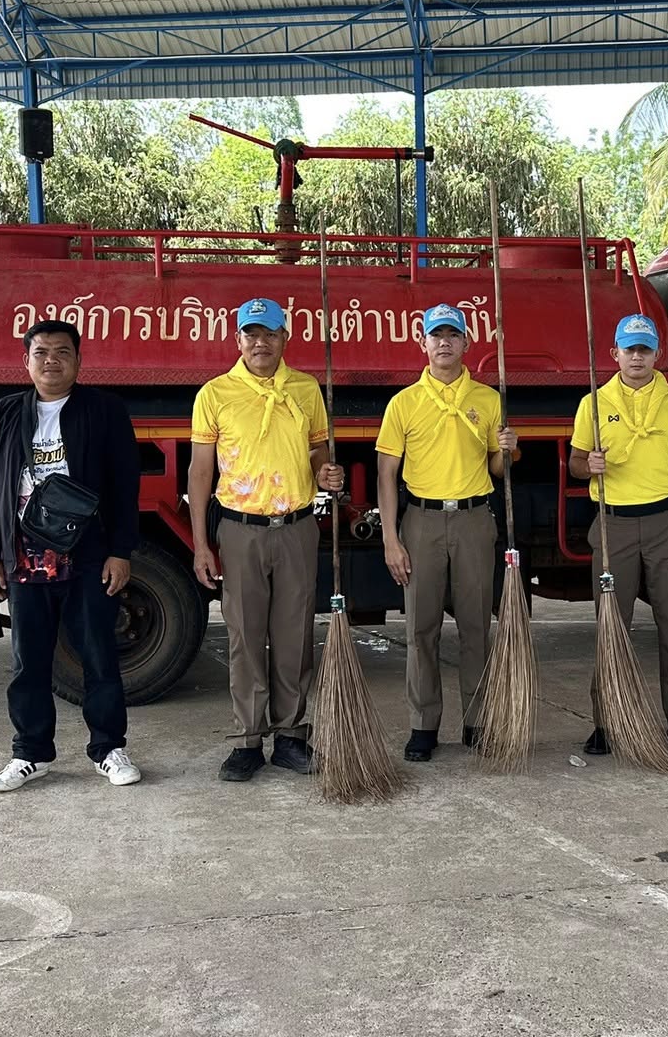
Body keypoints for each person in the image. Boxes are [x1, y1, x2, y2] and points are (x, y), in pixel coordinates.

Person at [0, 319, 143, 794]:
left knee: (98, 656)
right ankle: (30, 753)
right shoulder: (5, 413)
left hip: (87, 556)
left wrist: (120, 551)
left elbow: (125, 485)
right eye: (41, 352)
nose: (52, 361)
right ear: (26, 361)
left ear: (79, 360)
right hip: (24, 557)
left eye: (63, 352)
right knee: (28, 662)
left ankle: (108, 748)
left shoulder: (104, 410)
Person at [188, 298, 344, 783]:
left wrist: (325, 470)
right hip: (240, 530)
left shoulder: (305, 388)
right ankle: (248, 741)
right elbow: (200, 471)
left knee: (295, 637)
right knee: (245, 637)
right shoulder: (215, 394)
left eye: (270, 333)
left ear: (284, 338)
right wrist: (200, 544)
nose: (261, 343)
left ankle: (291, 736)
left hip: (296, 526)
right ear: (238, 339)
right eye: (251, 334)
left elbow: (318, 448)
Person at [376, 304, 520, 762]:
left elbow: (497, 469)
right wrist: (390, 538)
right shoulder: (404, 403)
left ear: (465, 344)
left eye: (452, 335)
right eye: (436, 335)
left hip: (474, 518)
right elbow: (386, 474)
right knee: (422, 628)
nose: (444, 343)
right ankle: (424, 726)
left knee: (477, 625)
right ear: (423, 343)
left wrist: (509, 451)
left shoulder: (489, 399)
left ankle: (477, 721)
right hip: (422, 520)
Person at [570, 312, 668, 754]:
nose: (637, 356)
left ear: (657, 354)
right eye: (629, 349)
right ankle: (607, 720)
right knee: (612, 625)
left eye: (645, 349)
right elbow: (575, 463)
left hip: (666, 521)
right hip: (613, 522)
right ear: (614, 353)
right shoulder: (594, 403)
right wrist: (588, 465)